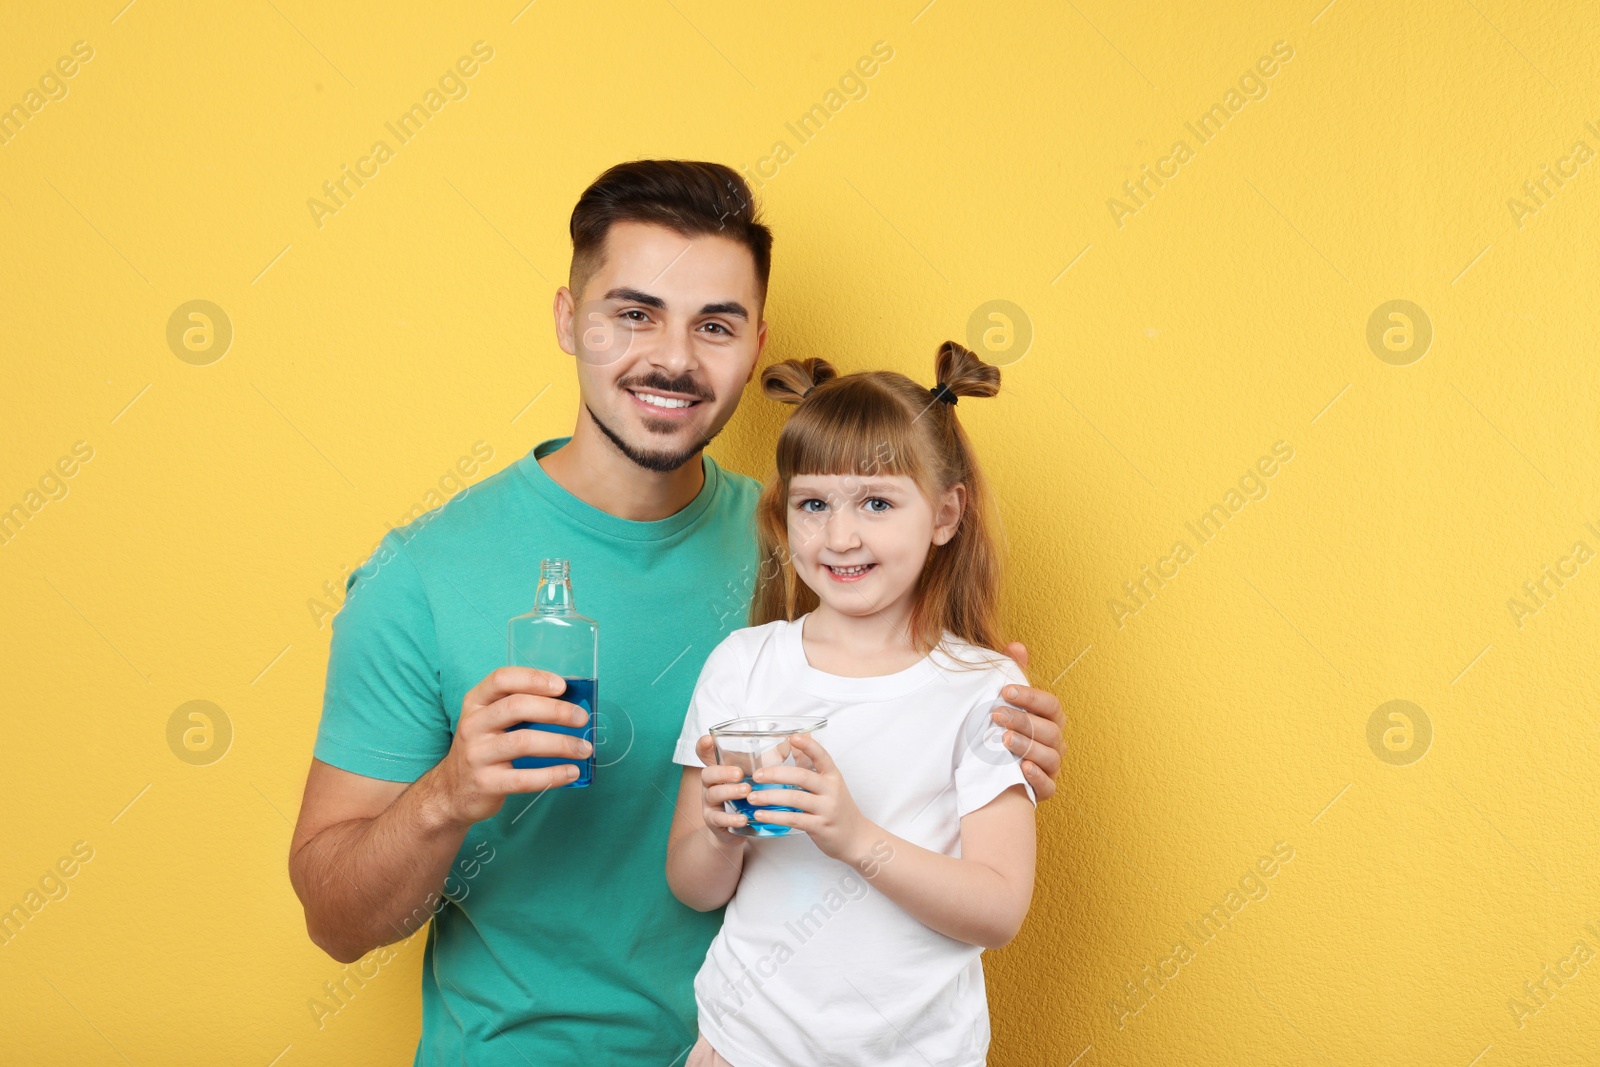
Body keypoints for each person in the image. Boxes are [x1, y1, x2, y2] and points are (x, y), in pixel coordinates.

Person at [288, 160, 1065, 1066]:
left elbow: (928, 720)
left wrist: (986, 723)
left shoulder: (813, 547)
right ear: (567, 320)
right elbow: (335, 922)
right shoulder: (420, 577)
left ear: (758, 341)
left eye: (716, 325)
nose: (674, 358)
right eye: (633, 313)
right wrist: (449, 794)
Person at [666, 342, 1035, 1066]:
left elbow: (999, 908)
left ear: (944, 513)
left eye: (876, 502)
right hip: (744, 1047)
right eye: (813, 503)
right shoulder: (743, 666)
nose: (839, 536)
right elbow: (693, 887)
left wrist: (852, 835)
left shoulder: (982, 687)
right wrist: (718, 832)